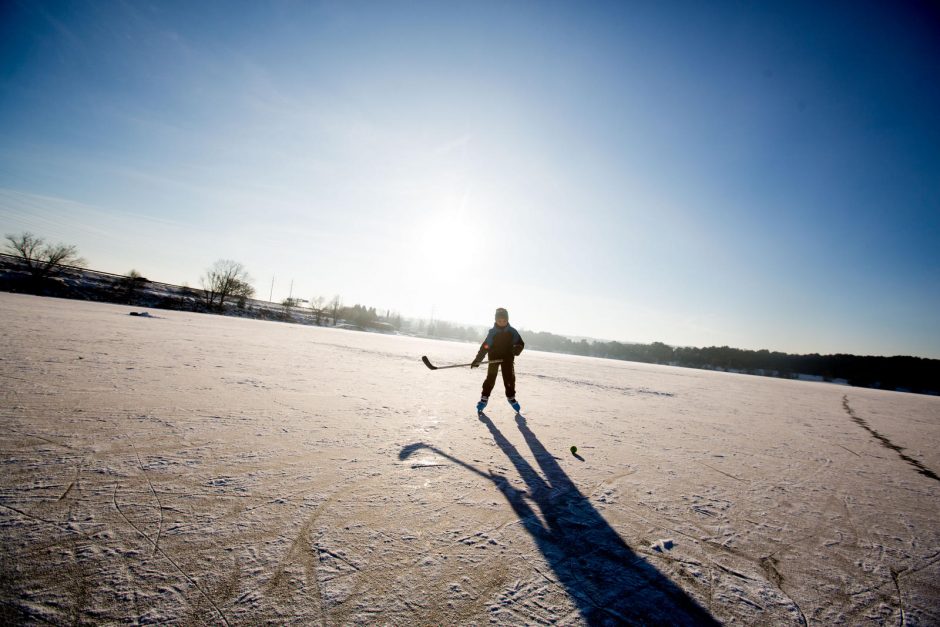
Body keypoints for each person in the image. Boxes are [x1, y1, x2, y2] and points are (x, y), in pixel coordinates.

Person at [472, 307, 524, 413]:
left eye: (504, 321)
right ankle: (484, 398)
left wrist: (516, 350)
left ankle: (511, 397)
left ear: (507, 320)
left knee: (509, 379)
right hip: (494, 359)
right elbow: (485, 347)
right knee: (490, 378)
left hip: (507, 359)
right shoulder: (493, 333)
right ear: (495, 320)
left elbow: (520, 344)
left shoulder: (512, 331)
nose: (502, 323)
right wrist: (478, 360)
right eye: (499, 321)